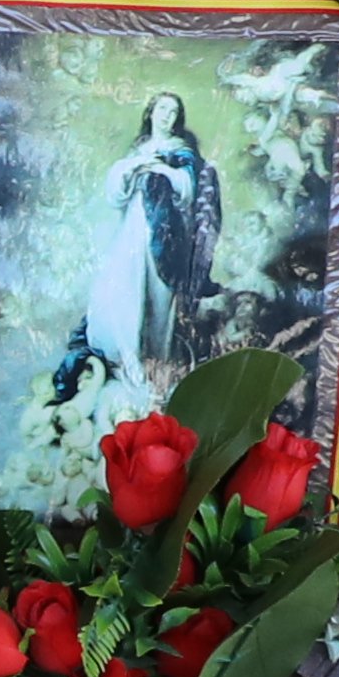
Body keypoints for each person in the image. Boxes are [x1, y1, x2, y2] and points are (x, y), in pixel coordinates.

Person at [65, 87, 229, 428]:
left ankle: (158, 378)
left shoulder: (182, 152)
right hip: (134, 230)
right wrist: (138, 165)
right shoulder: (138, 150)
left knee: (159, 305)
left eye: (173, 112)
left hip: (166, 237)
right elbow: (116, 193)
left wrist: (162, 171)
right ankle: (129, 368)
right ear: (151, 114)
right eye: (162, 110)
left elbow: (189, 191)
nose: (166, 117)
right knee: (122, 294)